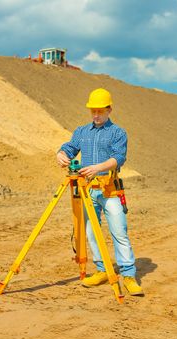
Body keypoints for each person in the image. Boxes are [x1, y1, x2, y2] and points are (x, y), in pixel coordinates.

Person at [57, 88, 144, 296]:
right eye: (93, 111)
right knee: (91, 232)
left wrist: (98, 167)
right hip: (87, 192)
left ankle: (129, 275)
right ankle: (102, 270)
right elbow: (69, 148)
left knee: (119, 233)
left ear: (109, 110)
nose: (96, 115)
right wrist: (60, 153)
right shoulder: (81, 132)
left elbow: (118, 158)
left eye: (100, 111)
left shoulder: (118, 133)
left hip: (110, 190)